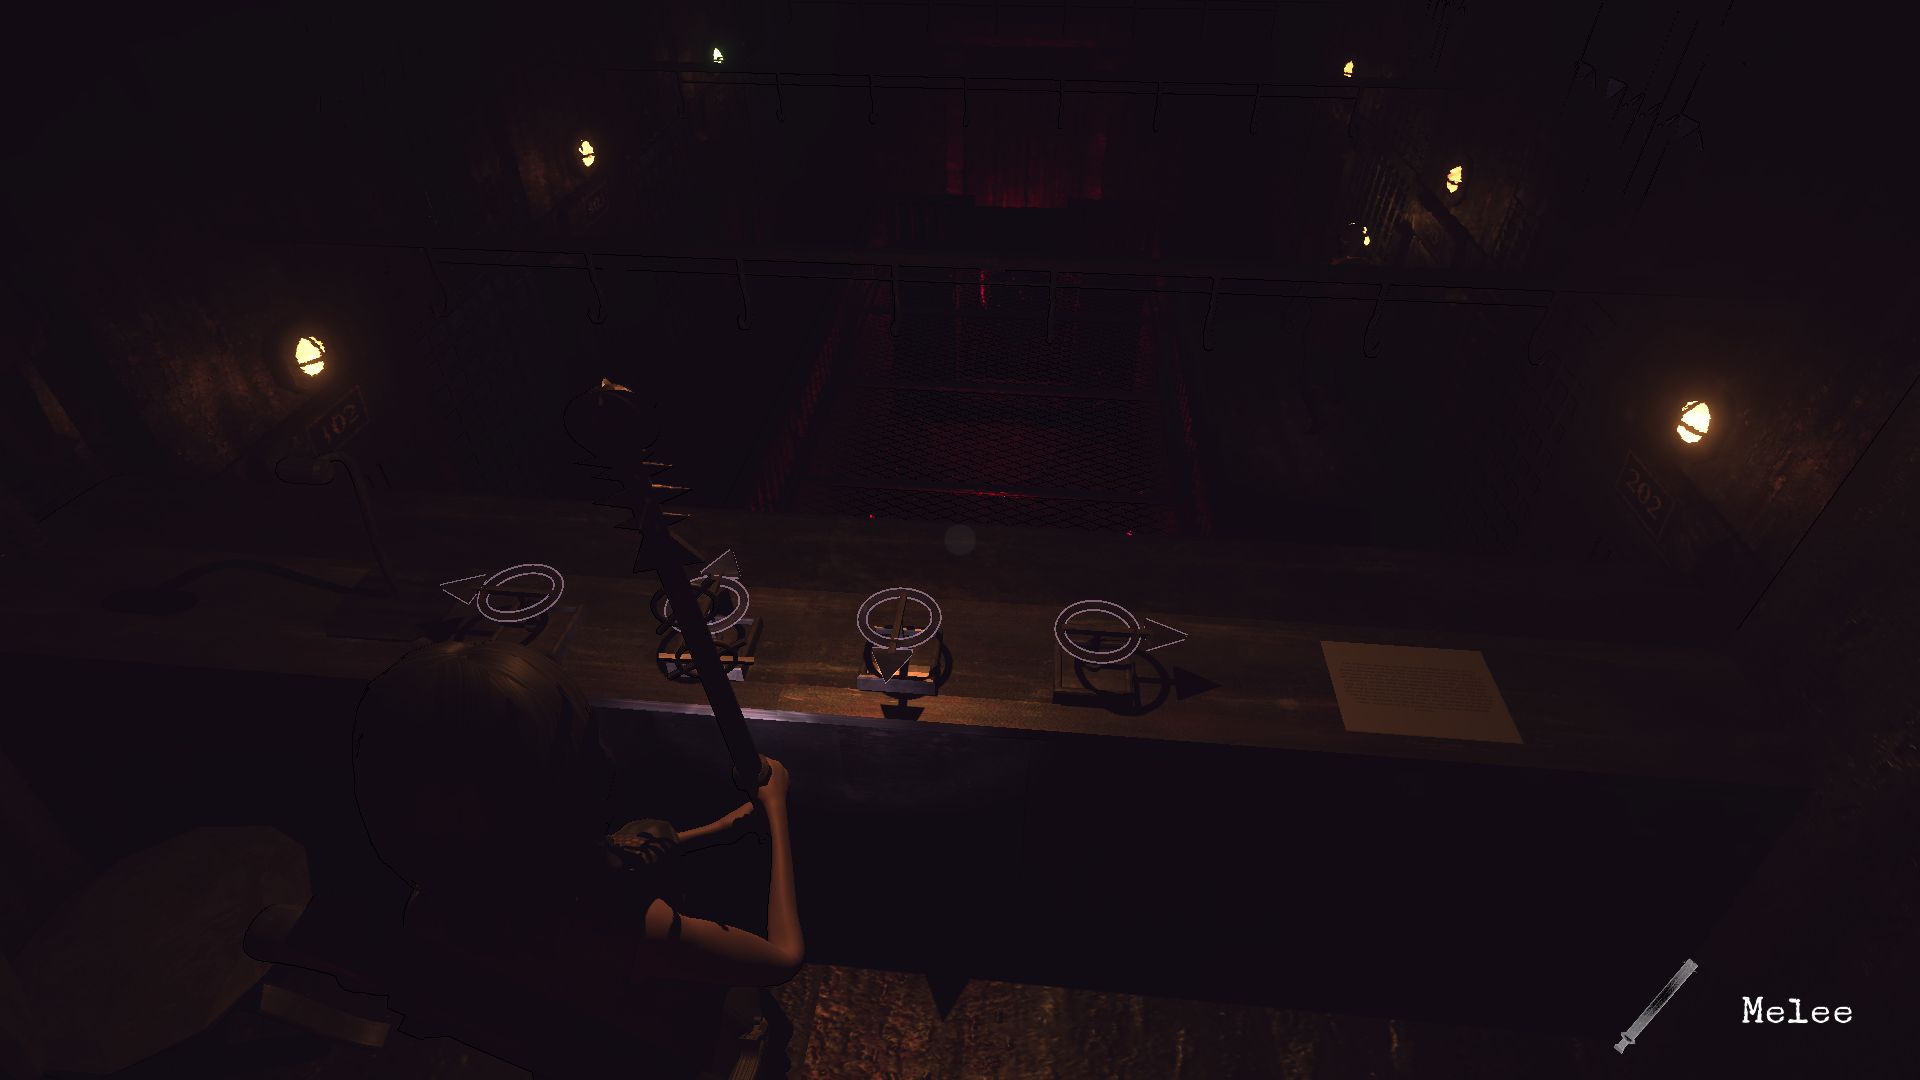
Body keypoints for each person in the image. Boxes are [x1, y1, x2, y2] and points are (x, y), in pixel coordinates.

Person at [349, 640, 801, 1076]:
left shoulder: (440, 890)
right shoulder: (619, 922)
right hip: (670, 1045)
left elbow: (604, 860)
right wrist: (776, 807)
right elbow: (781, 958)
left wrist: (719, 829)